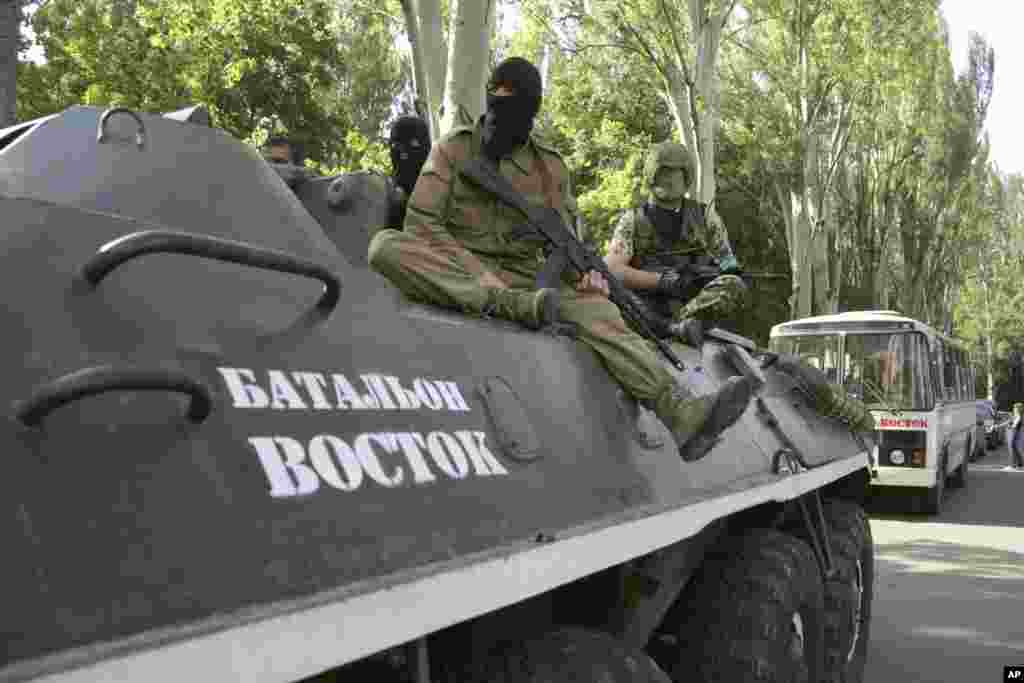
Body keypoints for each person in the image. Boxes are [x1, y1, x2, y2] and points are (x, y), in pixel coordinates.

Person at [368, 57, 754, 462]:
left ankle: (681, 411)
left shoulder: (549, 167)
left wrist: (586, 278)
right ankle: (510, 305)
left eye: (513, 109)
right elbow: (422, 227)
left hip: (533, 283)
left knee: (599, 308)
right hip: (464, 271)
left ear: (531, 114)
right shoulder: (453, 150)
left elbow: (567, 243)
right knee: (386, 247)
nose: (501, 119)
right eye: (494, 103)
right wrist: (486, 281)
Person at [604, 142, 748, 347]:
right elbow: (612, 269)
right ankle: (671, 328)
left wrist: (716, 272)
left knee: (734, 286)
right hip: (645, 307)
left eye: (675, 172)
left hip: (694, 306)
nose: (669, 179)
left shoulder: (704, 217)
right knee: (612, 292)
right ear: (652, 175)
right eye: (663, 172)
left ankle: (682, 326)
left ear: (685, 176)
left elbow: (727, 260)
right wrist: (662, 281)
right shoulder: (633, 220)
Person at [326, 115, 432, 238]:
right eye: (395, 146)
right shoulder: (389, 187)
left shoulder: (440, 182)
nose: (402, 152)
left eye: (413, 143)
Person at [1007, 403, 1024, 470]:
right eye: (1014, 408)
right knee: (1016, 449)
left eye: (1015, 408)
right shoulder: (1015, 416)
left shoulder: (1019, 416)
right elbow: (1008, 422)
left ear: (1018, 409)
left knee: (1013, 449)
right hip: (1014, 435)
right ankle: (1020, 464)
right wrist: (997, 426)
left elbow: (1014, 425)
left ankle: (1013, 465)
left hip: (1016, 436)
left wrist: (1010, 426)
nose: (1014, 409)